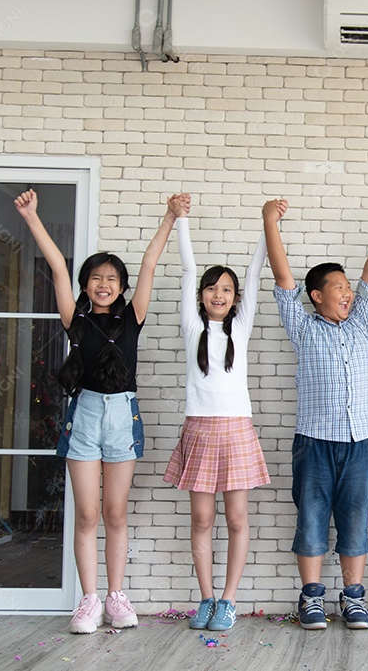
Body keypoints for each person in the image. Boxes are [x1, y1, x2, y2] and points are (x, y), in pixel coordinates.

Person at [14, 189, 182, 634]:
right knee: (87, 515)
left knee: (115, 513)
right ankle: (88, 601)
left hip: (122, 416)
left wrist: (168, 217)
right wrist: (32, 218)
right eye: (95, 278)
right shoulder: (75, 319)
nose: (103, 284)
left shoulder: (133, 318)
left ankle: (116, 596)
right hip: (85, 415)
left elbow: (149, 263)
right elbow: (55, 265)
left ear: (122, 287)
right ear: (86, 284)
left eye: (111, 278)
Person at [264, 197, 368, 631]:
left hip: (359, 441)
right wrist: (270, 221)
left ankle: (353, 598)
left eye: (348, 287)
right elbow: (282, 274)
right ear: (317, 296)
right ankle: (310, 598)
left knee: (354, 520)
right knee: (310, 519)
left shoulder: (361, 322)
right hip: (314, 441)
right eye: (339, 287)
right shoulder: (303, 326)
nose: (348, 292)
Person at [163, 194, 271, 632]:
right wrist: (181, 220)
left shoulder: (240, 328)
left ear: (235, 297)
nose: (219, 294)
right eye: (213, 288)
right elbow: (188, 270)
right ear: (202, 295)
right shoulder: (192, 326)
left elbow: (254, 271)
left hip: (236, 430)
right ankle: (205, 598)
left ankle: (228, 600)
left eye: (226, 289)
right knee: (202, 519)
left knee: (237, 518)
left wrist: (268, 225)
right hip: (200, 430)